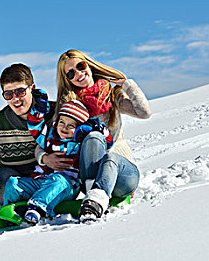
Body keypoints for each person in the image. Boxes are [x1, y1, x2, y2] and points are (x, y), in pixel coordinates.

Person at [37, 49, 151, 220]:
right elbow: (44, 141)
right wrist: (44, 158)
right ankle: (94, 197)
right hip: (89, 175)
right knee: (93, 136)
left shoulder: (111, 96)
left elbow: (144, 112)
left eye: (80, 66)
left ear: (88, 65)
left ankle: (96, 198)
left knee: (109, 156)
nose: (79, 74)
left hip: (122, 174)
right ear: (67, 80)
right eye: (70, 73)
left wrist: (127, 84)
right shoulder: (69, 108)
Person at [3, 92, 113, 224]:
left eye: (71, 125)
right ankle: (9, 210)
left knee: (58, 180)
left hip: (66, 186)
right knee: (13, 183)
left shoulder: (80, 144)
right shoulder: (50, 138)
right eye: (62, 122)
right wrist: (39, 110)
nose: (64, 128)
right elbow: (35, 128)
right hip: (41, 183)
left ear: (79, 128)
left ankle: (37, 208)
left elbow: (106, 142)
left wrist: (97, 128)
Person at [0, 63, 54, 211]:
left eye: (20, 91)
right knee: (3, 176)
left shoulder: (54, 114)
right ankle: (15, 209)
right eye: (9, 94)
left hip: (50, 178)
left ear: (32, 89)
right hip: (13, 181)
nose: (15, 99)